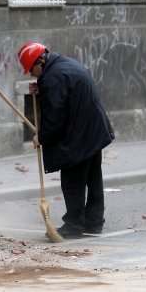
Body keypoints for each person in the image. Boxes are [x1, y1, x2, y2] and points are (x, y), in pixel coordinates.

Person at [18, 42, 115, 239]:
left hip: (78, 137)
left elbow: (55, 117)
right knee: (93, 179)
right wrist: (41, 88)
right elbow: (63, 92)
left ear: (40, 62)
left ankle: (73, 226)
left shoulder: (53, 78)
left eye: (31, 70)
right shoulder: (64, 65)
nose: (31, 74)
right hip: (93, 131)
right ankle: (94, 222)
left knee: (73, 183)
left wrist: (41, 137)